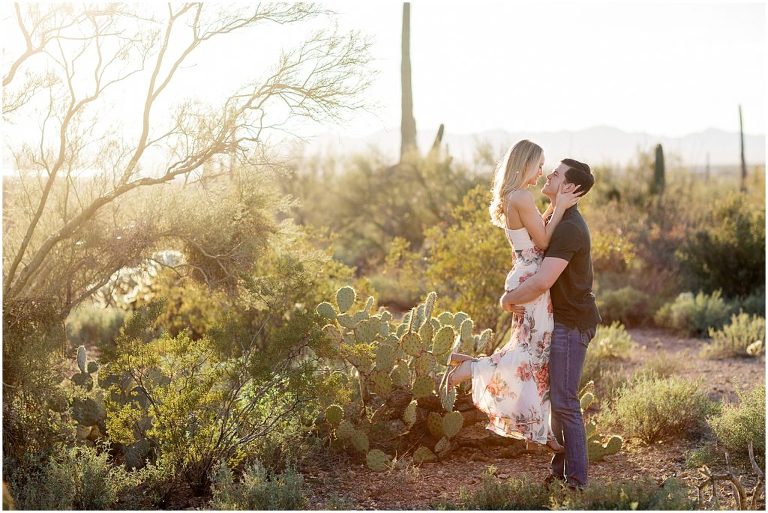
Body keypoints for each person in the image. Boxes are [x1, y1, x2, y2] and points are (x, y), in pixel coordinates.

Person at [440, 139, 581, 453]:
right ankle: (473, 370)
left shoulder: (512, 196)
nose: (542, 172)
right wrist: (559, 208)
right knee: (536, 349)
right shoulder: (521, 196)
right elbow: (543, 242)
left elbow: (536, 232)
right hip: (531, 273)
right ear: (526, 163)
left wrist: (553, 209)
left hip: (523, 269)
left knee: (528, 347)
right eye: (540, 165)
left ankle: (538, 425)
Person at [499, 157, 601, 489]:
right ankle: (560, 474)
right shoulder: (555, 218)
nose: (548, 175)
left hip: (572, 323)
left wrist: (509, 299)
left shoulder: (570, 227)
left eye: (556, 174)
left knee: (565, 401)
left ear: (570, 188)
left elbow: (544, 280)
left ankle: (577, 483)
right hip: (559, 320)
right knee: (556, 399)